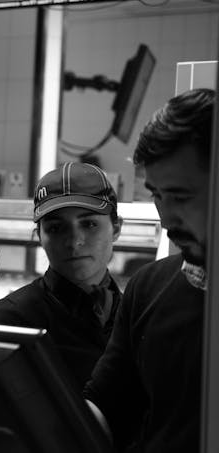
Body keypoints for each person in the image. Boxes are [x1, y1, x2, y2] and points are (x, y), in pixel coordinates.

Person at [84, 88, 215, 452]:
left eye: (181, 196)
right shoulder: (149, 288)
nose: (166, 218)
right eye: (157, 195)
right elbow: (108, 407)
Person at [0, 162, 123, 387]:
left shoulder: (138, 315)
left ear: (117, 228)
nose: (74, 241)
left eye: (89, 224)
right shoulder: (8, 322)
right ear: (39, 236)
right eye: (56, 228)